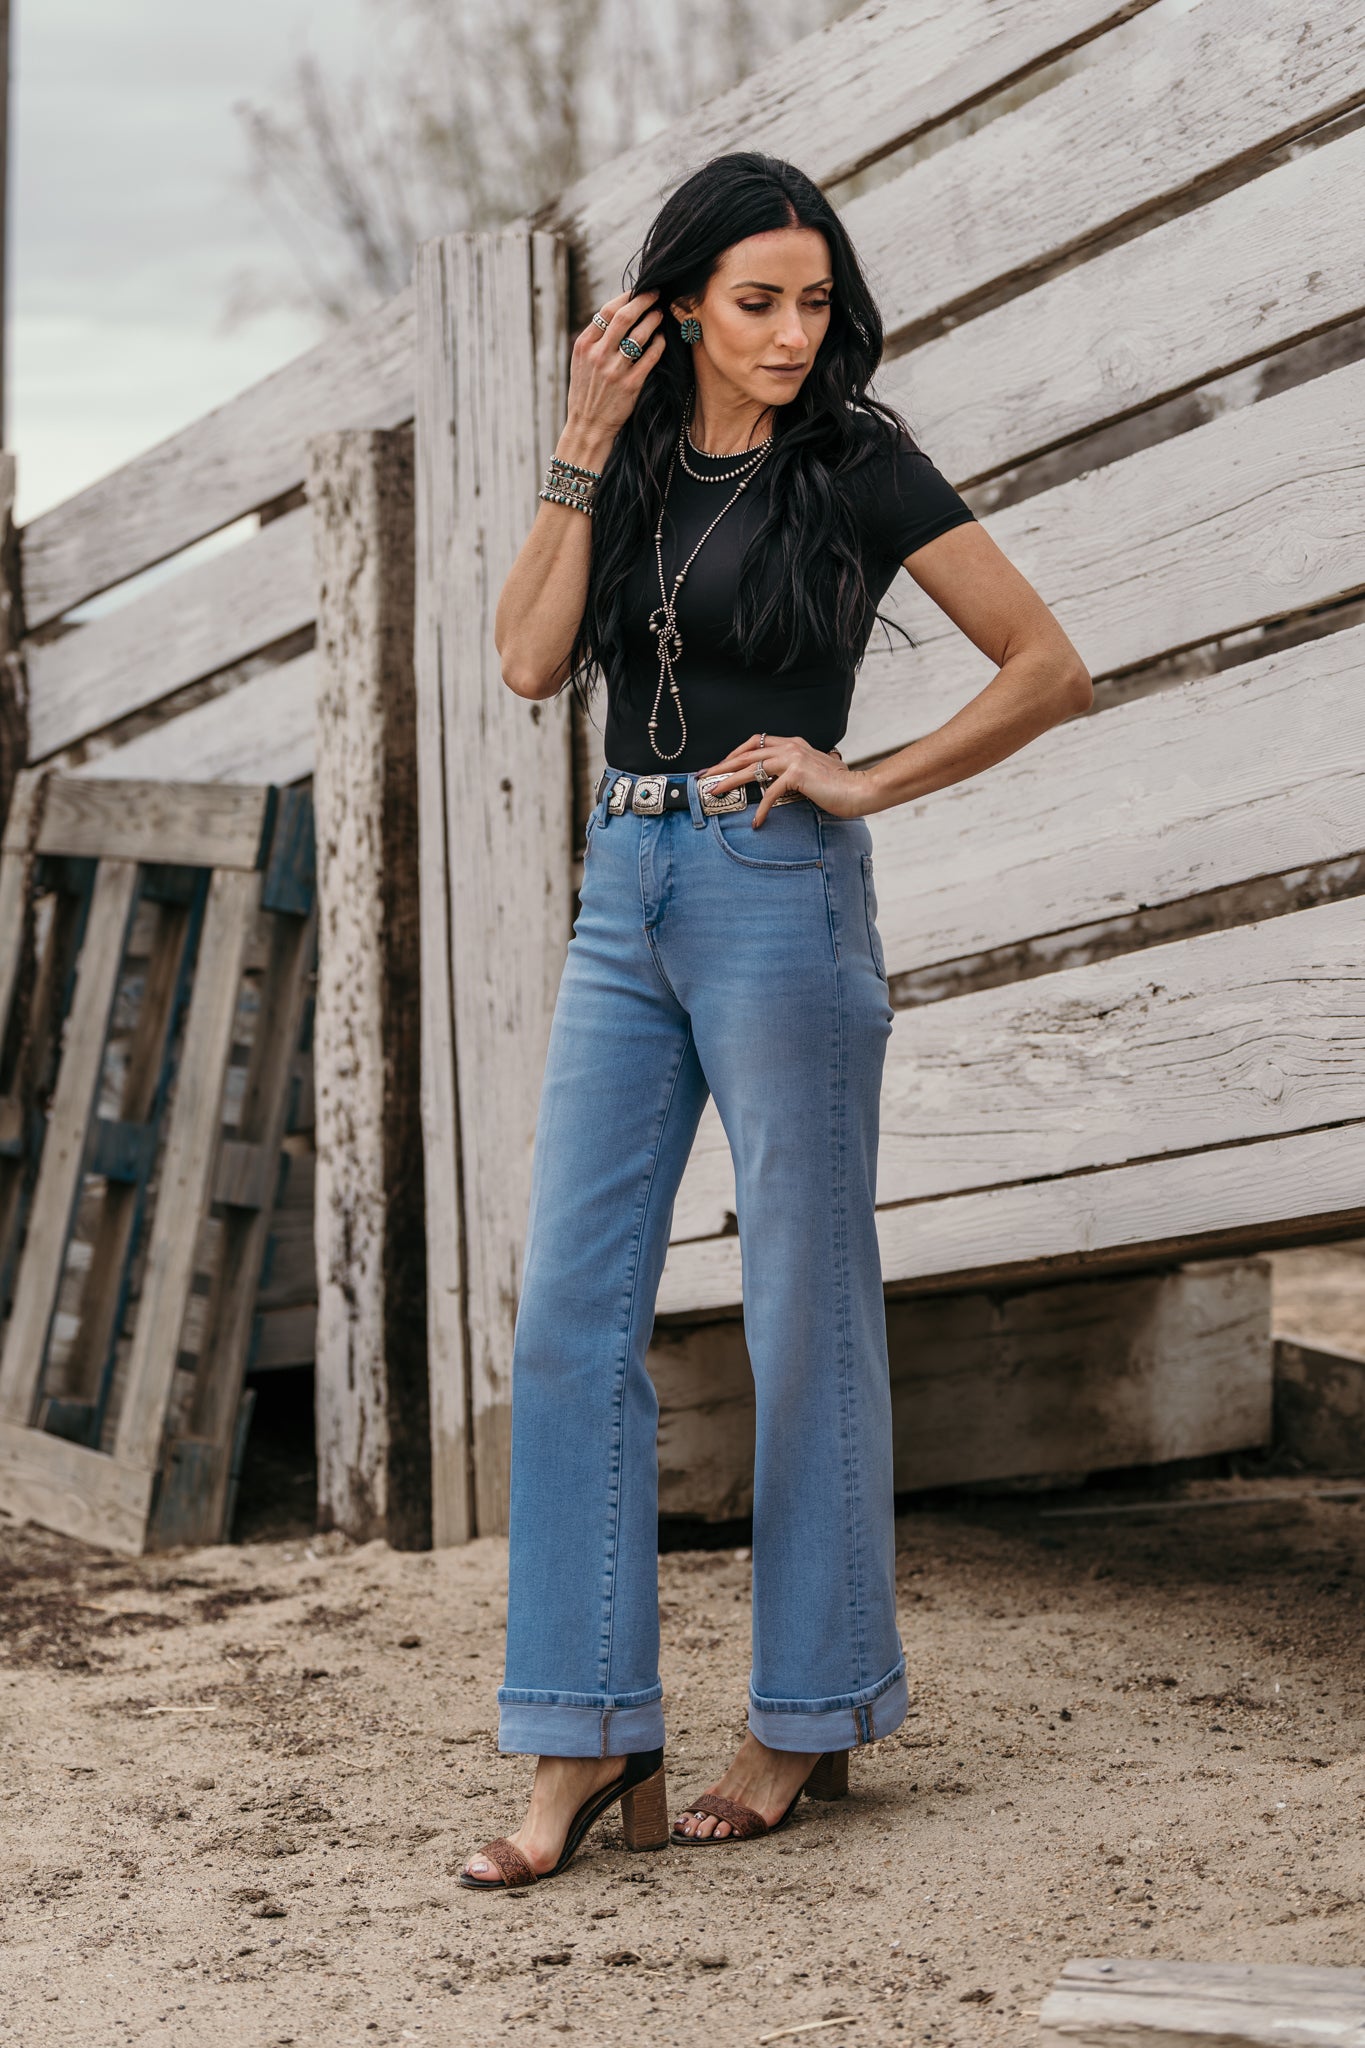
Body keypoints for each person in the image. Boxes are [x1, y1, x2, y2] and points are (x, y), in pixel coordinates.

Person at [460, 152, 1092, 1890]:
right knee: (568, 1310)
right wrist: (580, 441)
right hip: (624, 891)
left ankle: (807, 1715)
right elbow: (527, 663)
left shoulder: (857, 461)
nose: (792, 334)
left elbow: (1047, 666)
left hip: (776, 889)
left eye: (814, 302)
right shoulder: (628, 463)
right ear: (675, 309)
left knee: (800, 1309)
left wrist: (859, 776)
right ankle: (585, 1734)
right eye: (755, 302)